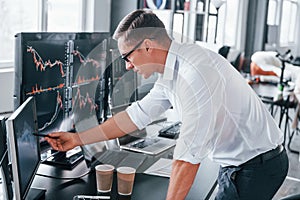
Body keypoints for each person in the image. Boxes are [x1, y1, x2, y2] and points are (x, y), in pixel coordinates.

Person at [46, 9, 289, 200]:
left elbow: (186, 160)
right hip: (237, 162)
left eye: (127, 57)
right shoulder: (172, 71)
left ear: (147, 46)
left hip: (256, 167)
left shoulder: (196, 75)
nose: (127, 65)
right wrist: (77, 139)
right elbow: (135, 116)